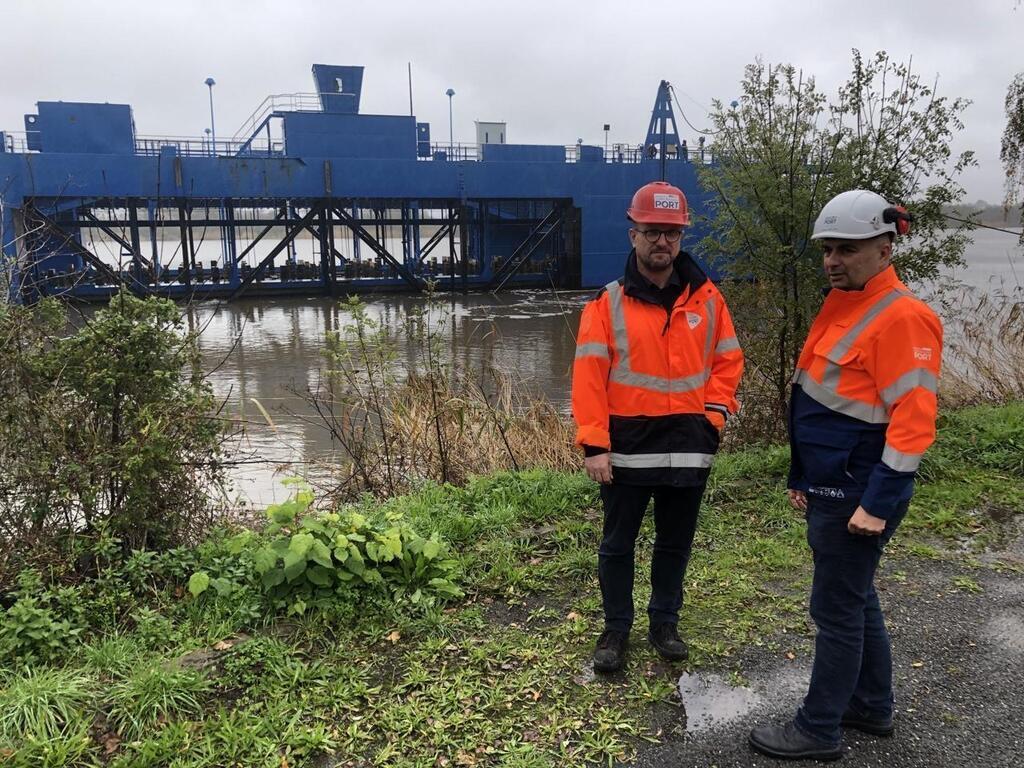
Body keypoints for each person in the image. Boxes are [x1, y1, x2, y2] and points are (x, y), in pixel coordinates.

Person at [749, 190, 943, 761]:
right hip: (834, 484)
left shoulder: (903, 317)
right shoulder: (845, 303)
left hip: (859, 494)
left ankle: (818, 728)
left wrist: (878, 503)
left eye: (848, 249)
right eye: (828, 249)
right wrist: (801, 474)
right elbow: (818, 400)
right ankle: (872, 706)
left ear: (885, 249)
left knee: (835, 609)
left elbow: (913, 424)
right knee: (856, 601)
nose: (833, 259)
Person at [571, 180, 744, 673]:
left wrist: (714, 417)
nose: (661, 242)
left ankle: (664, 622)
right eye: (651, 232)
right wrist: (594, 446)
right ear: (633, 235)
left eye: (670, 233)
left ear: (681, 236)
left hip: (690, 446)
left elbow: (728, 363)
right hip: (625, 450)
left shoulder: (709, 300)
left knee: (675, 542)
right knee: (617, 544)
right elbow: (587, 380)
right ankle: (616, 629)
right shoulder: (606, 305)